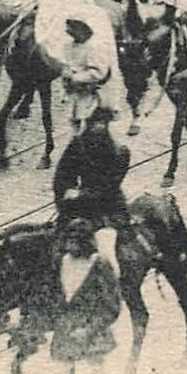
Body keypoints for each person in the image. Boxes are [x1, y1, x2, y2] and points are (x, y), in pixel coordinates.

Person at [50, 218, 122, 374]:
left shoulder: (100, 265)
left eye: (75, 240)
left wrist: (89, 330)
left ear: (86, 242)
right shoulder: (62, 262)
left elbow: (112, 307)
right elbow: (55, 296)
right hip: (65, 333)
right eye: (68, 240)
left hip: (93, 335)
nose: (70, 245)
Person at [52, 104, 131, 269]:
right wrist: (65, 193)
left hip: (108, 208)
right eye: (93, 122)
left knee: (107, 254)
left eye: (101, 123)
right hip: (77, 207)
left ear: (107, 125)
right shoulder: (78, 145)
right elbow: (62, 176)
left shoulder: (120, 152)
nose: (97, 127)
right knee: (55, 245)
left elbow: (109, 188)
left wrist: (80, 195)